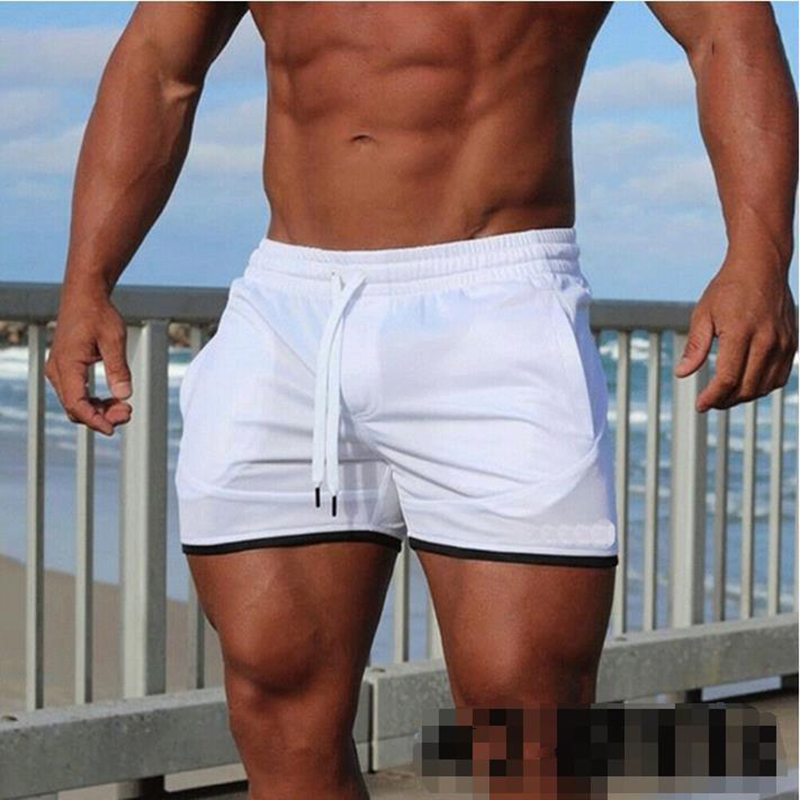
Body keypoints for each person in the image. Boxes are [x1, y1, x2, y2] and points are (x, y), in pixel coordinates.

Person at [46, 3, 797, 798]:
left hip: (496, 302)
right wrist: (87, 279)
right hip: (289, 311)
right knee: (276, 692)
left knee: (527, 720)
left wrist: (759, 254)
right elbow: (159, 63)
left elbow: (726, 30)